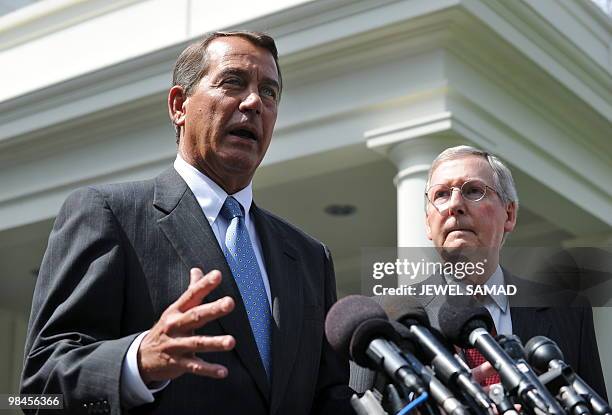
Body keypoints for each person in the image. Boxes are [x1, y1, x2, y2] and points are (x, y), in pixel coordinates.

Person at [21, 31, 354, 414]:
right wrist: (138, 362)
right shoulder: (108, 214)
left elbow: (330, 398)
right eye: (233, 82)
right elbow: (37, 391)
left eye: (269, 92)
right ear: (179, 105)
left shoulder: (310, 258)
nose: (254, 103)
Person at [351, 145, 607, 399]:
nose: (454, 205)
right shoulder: (384, 319)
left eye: (473, 190)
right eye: (441, 194)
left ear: (509, 214)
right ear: (428, 224)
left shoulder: (568, 310)